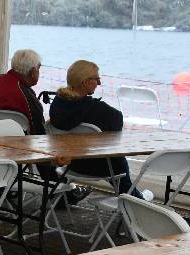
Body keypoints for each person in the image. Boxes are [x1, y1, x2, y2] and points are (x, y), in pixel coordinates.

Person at [48, 60, 136, 194]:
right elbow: (118, 123)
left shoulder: (56, 105)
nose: (99, 83)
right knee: (117, 158)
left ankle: (134, 196)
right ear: (85, 82)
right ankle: (132, 198)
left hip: (69, 164)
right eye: (97, 79)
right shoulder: (97, 109)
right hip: (97, 166)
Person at [0, 48, 46, 134]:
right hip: (18, 140)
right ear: (33, 72)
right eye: (38, 69)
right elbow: (38, 130)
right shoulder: (26, 96)